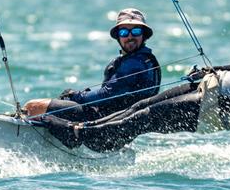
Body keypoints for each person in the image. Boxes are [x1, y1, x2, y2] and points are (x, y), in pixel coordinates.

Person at [40, 54, 230, 152]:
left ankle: (86, 138)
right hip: (204, 85)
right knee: (137, 108)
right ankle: (89, 126)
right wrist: (213, 69)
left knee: (148, 117)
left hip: (207, 113)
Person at [23, 8, 161, 122]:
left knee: (33, 106)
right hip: (111, 125)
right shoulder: (145, 60)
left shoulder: (135, 63)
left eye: (136, 31)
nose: (130, 36)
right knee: (50, 111)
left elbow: (107, 94)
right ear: (118, 36)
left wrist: (75, 96)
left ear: (144, 35)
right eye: (124, 32)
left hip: (101, 126)